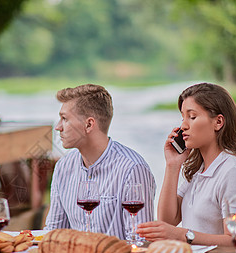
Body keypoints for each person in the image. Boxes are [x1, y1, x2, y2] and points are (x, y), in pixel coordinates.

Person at [136, 83, 236, 246]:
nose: (183, 126)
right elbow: (167, 221)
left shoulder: (233, 172)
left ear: (218, 122)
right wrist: (172, 165)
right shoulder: (198, 170)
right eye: (183, 118)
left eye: (192, 117)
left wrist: (183, 235)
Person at [44, 84, 156, 240]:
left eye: (64, 119)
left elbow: (140, 241)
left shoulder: (132, 168)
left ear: (89, 124)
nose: (58, 127)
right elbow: (54, 233)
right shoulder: (63, 167)